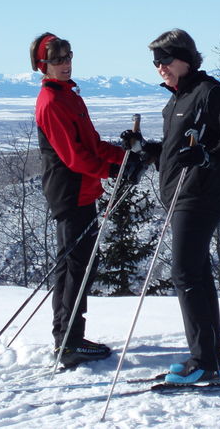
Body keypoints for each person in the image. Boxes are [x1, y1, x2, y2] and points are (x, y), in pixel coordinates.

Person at [121, 28, 220, 385]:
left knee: (184, 273)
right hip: (181, 195)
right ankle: (211, 358)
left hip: (199, 196)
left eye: (165, 59)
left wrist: (209, 156)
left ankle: (203, 361)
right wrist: (144, 149)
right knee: (196, 275)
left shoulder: (209, 93)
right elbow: (174, 153)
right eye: (155, 62)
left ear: (186, 58)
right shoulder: (176, 100)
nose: (160, 67)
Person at [30, 32, 141, 367]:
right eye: (57, 60)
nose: (65, 64)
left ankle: (67, 337)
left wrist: (126, 156)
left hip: (82, 191)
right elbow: (75, 157)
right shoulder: (51, 102)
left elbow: (91, 144)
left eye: (68, 57)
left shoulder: (70, 97)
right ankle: (69, 342)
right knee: (76, 268)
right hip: (69, 193)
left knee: (74, 266)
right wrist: (114, 169)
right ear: (43, 65)